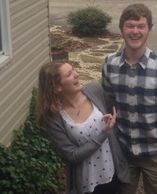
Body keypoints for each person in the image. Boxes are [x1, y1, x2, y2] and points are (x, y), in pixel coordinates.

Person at [102, 3, 157, 194]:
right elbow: (108, 104)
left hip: (156, 154)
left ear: (149, 30)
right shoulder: (109, 64)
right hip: (123, 152)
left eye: (141, 26)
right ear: (122, 29)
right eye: (130, 26)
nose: (135, 31)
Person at [37, 61, 129, 194]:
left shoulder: (94, 90)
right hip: (87, 183)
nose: (77, 74)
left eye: (74, 70)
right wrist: (104, 133)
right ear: (58, 87)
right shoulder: (54, 118)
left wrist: (111, 122)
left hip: (113, 173)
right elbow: (72, 155)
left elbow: (113, 112)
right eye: (69, 74)